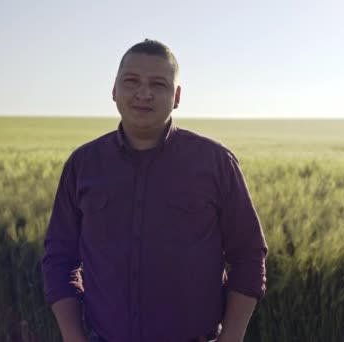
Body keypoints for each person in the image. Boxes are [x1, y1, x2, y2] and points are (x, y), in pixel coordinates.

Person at [42, 39, 267, 342]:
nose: (143, 94)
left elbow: (249, 255)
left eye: (158, 84)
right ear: (113, 90)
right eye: (131, 81)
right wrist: (73, 337)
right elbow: (59, 259)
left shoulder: (215, 163)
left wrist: (232, 337)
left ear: (176, 96)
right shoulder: (83, 165)